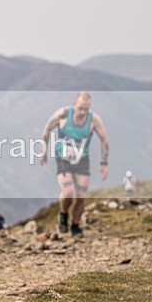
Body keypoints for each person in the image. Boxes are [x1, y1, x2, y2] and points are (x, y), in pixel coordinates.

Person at [38, 92, 109, 236]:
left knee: (81, 196)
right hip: (63, 158)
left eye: (86, 109)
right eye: (80, 108)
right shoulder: (63, 114)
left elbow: (104, 140)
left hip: (81, 159)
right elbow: (47, 129)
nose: (82, 112)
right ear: (74, 104)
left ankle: (75, 225)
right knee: (68, 192)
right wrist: (42, 151)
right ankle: (63, 215)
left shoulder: (93, 120)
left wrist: (104, 163)